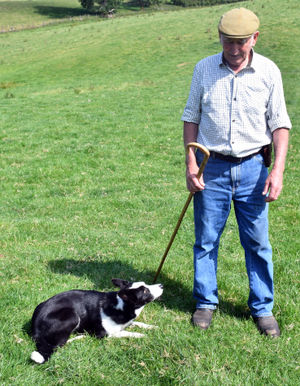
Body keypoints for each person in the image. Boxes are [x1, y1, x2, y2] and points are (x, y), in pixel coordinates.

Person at [181, 8, 291, 337]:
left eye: (240, 42)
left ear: (254, 39)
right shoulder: (203, 69)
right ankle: (205, 303)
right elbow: (191, 117)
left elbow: (280, 124)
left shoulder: (269, 72)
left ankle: (262, 308)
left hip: (253, 168)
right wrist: (190, 162)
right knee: (205, 241)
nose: (233, 48)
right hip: (210, 167)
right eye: (227, 41)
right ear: (220, 38)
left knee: (257, 243)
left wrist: (278, 171)